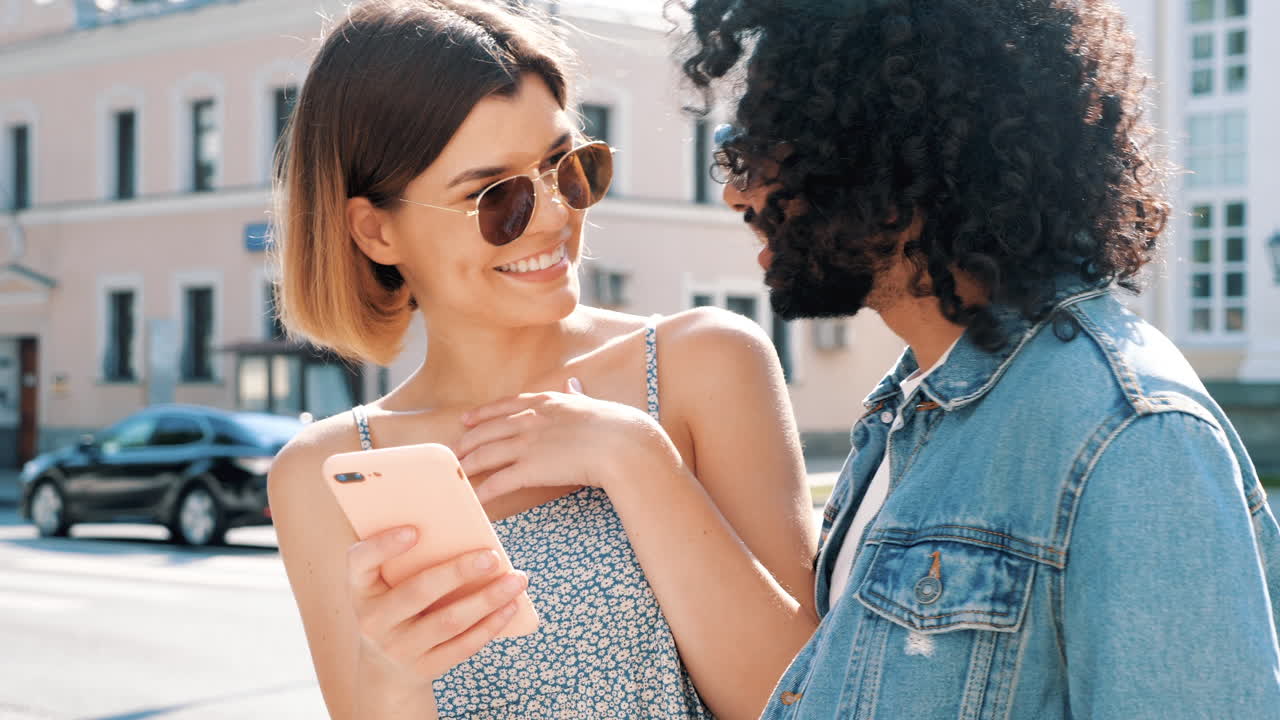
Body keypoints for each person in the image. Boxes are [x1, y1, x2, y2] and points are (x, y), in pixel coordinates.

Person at [461, 0, 1280, 718]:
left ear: (890, 147)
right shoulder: (913, 412)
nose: (737, 191)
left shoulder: (1131, 438)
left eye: (761, 143)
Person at [266, 1, 820, 718]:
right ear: (375, 231)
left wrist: (634, 458)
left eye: (568, 167)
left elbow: (805, 702)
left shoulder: (704, 363)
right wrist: (395, 673)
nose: (557, 215)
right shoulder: (325, 472)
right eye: (496, 197)